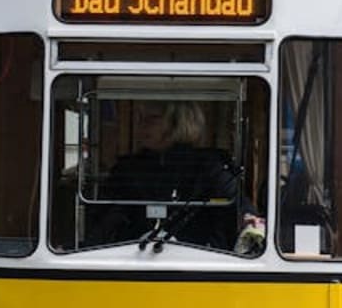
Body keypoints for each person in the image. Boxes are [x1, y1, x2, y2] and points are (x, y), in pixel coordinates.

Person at [96, 101, 258, 252]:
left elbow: (236, 202)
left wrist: (248, 218)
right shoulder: (127, 169)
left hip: (197, 260)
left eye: (152, 118)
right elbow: (106, 215)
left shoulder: (208, 166)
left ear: (178, 124)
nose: (141, 125)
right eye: (140, 118)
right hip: (132, 257)